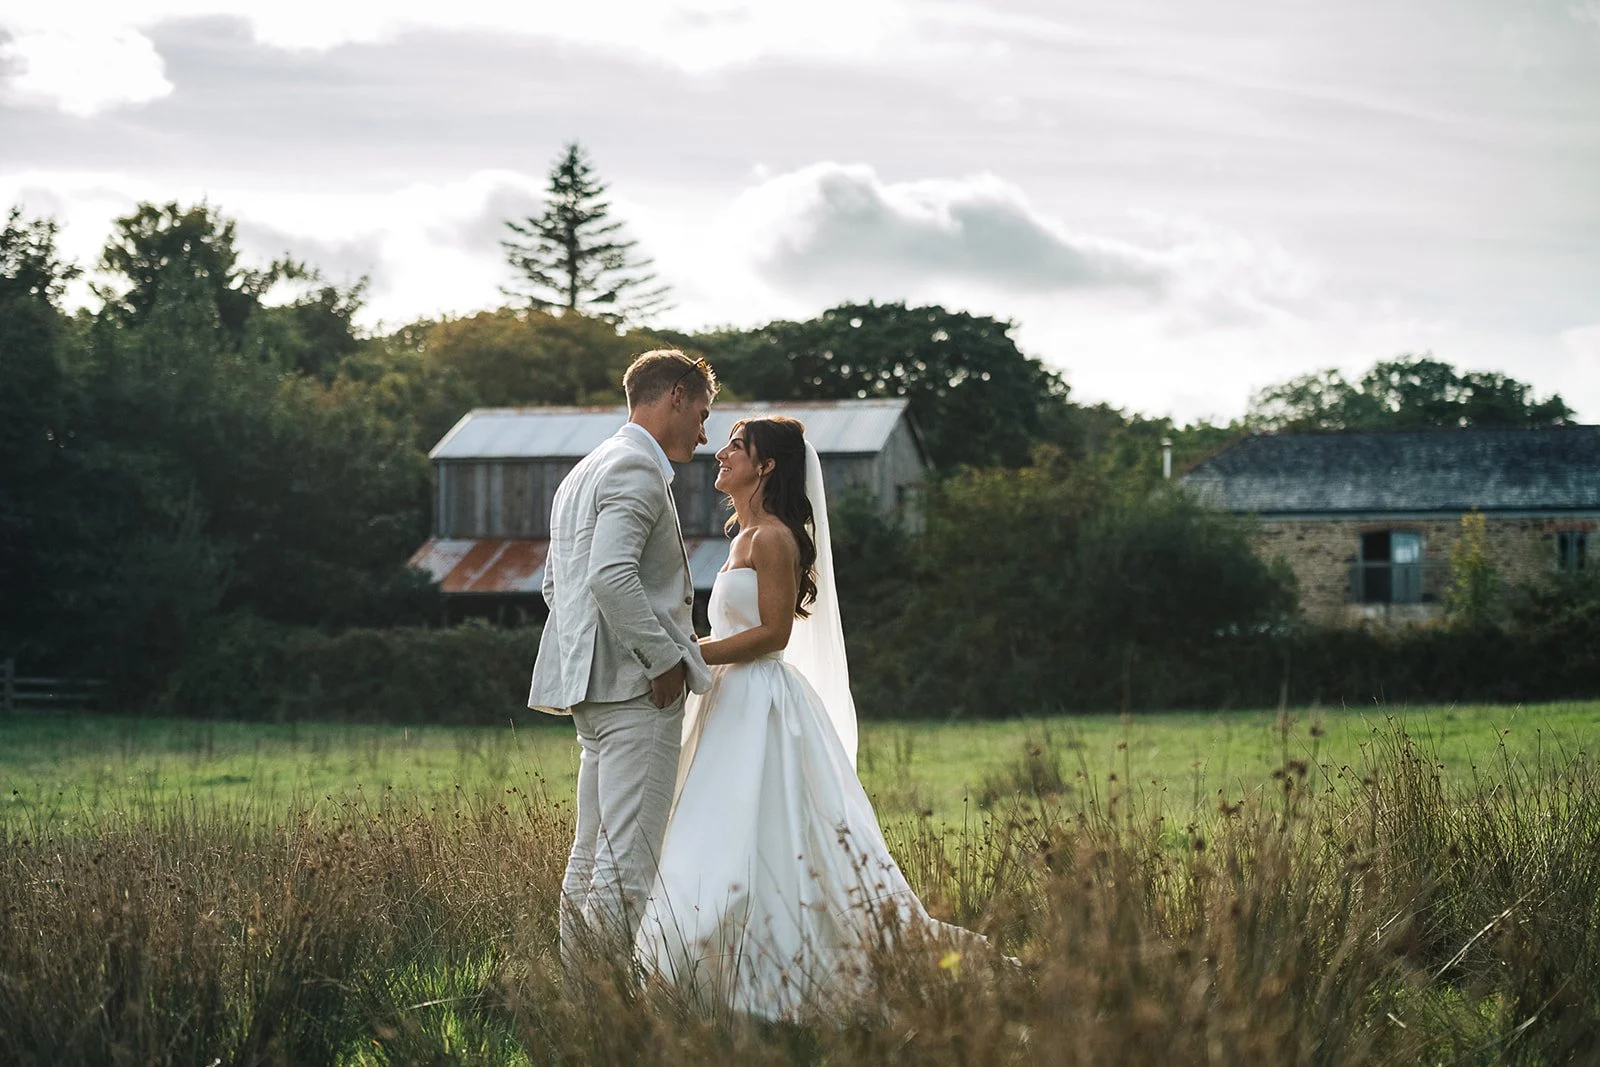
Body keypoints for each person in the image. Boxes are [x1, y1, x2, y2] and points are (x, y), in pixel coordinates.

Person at [635, 416, 985, 1019]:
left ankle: (771, 974)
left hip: (760, 703)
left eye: (736, 447)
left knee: (765, 830)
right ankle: (707, 974)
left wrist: (687, 654)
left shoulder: (772, 539)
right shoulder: (741, 536)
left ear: (766, 465)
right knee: (718, 831)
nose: (721, 452)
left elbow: (770, 635)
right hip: (730, 699)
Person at [528, 349, 718, 978]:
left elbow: (559, 587)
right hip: (638, 692)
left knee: (590, 855)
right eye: (702, 412)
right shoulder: (637, 468)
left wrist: (588, 662)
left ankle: (578, 999)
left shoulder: (585, 469)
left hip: (591, 691)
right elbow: (610, 577)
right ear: (675, 397)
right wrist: (661, 658)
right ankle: (602, 1014)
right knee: (628, 862)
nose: (704, 430)